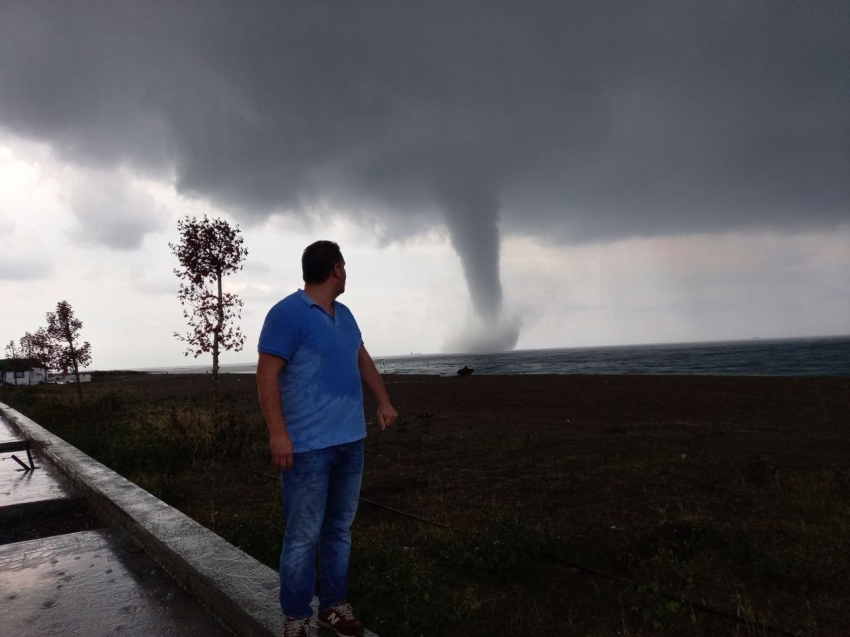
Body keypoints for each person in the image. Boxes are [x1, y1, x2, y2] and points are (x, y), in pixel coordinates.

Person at [257, 240, 398, 637]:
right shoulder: (287, 314)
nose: (346, 273)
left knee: (339, 528)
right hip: (306, 448)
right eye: (345, 267)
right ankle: (296, 616)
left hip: (351, 441)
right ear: (336, 269)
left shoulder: (346, 315)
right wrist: (278, 434)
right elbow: (266, 374)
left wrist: (383, 401)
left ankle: (333, 606)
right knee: (302, 534)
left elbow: (360, 358)